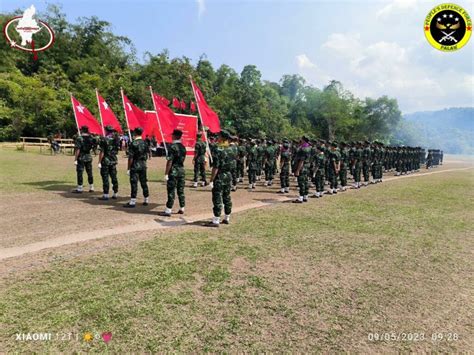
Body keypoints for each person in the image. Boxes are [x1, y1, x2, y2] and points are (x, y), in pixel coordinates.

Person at [208, 130, 234, 227]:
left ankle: (216, 220)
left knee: (217, 197)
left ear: (222, 137)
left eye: (218, 136)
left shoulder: (219, 149)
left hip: (220, 176)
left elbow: (216, 167)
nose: (217, 138)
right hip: (228, 175)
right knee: (227, 197)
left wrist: (211, 180)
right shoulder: (232, 149)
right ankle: (227, 217)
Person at [161, 129, 186, 216]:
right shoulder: (183, 147)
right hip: (181, 170)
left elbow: (169, 162)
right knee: (181, 190)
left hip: (173, 171)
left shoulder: (172, 147)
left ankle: (168, 210)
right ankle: (182, 207)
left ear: (175, 136)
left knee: (171, 190)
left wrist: (166, 173)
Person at [124, 127, 149, 208]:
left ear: (135, 133)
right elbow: (147, 154)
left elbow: (130, 157)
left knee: (134, 183)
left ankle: (133, 201)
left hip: (135, 165)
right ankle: (146, 199)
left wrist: (128, 168)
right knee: (143, 182)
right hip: (143, 164)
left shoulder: (133, 143)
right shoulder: (145, 142)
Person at [97, 125, 120, 200]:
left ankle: (106, 194)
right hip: (113, 160)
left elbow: (102, 152)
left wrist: (99, 162)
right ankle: (115, 193)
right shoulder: (116, 139)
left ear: (107, 130)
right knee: (114, 177)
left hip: (106, 160)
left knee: (105, 177)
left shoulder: (104, 139)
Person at [72, 125, 95, 193]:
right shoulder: (91, 138)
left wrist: (75, 159)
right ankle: (91, 186)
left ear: (82, 130)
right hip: (88, 156)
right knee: (89, 172)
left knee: (80, 172)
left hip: (81, 157)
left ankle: (80, 188)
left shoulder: (80, 138)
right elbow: (94, 145)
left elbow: (78, 149)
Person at [293, 136, 312, 203]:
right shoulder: (309, 148)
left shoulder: (303, 149)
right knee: (306, 181)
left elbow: (301, 161)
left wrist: (297, 170)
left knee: (301, 182)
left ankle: (300, 198)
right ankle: (305, 196)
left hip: (302, 167)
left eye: (301, 139)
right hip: (307, 166)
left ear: (303, 140)